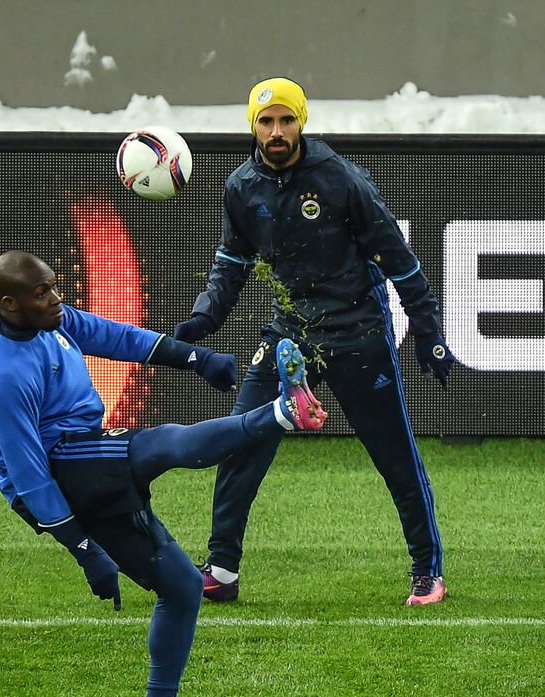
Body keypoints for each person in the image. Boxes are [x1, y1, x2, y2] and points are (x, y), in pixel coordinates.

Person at [0, 250, 326, 697]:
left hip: (82, 458)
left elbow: (114, 338)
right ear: (8, 303)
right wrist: (85, 550)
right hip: (59, 473)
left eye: (53, 287)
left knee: (182, 587)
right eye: (43, 293)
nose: (57, 299)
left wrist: (195, 358)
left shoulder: (44, 319)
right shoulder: (3, 377)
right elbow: (29, 479)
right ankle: (282, 413)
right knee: (159, 446)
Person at [173, 77, 459, 607]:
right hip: (289, 335)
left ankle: (427, 572)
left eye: (286, 120)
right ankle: (222, 571)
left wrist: (428, 330)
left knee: (395, 457)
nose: (276, 132)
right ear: (252, 126)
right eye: (266, 121)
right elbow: (229, 267)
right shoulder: (241, 187)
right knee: (242, 442)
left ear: (301, 121)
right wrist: (201, 321)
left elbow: (398, 257)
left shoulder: (340, 178)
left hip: (357, 332)